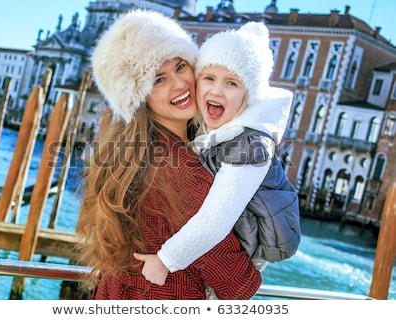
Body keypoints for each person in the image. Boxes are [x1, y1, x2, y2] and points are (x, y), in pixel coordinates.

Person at [76, 9, 262, 300]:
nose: (179, 84)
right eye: (159, 79)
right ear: (139, 97)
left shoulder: (127, 153)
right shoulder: (181, 170)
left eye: (180, 66)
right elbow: (239, 285)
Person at [134, 22, 301, 286]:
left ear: (248, 96)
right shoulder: (214, 130)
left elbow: (216, 218)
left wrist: (165, 260)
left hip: (248, 255)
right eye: (209, 78)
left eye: (232, 83)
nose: (216, 90)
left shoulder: (251, 147)